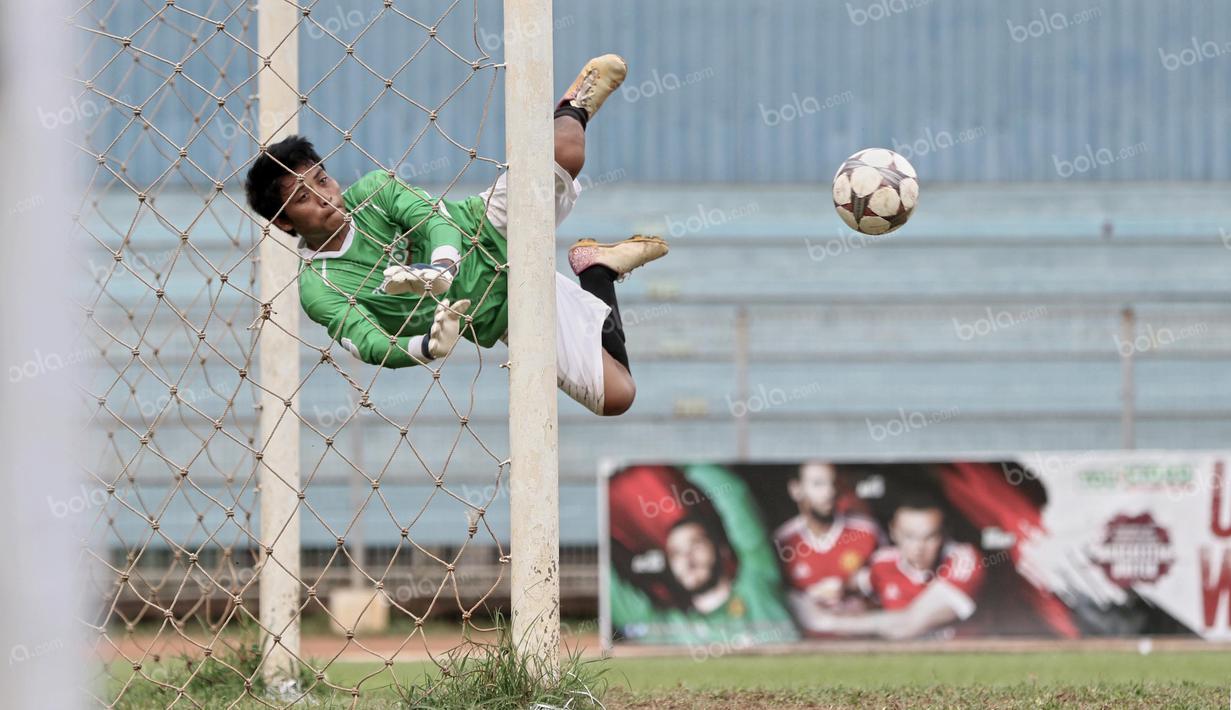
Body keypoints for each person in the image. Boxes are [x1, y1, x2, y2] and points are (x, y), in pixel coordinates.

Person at [243, 54, 667, 415]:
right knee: (618, 397)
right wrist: (427, 345)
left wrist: (441, 267)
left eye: (322, 179)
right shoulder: (320, 288)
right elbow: (370, 343)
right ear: (283, 221)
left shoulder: (373, 192)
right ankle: (596, 271)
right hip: (499, 309)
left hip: (490, 227)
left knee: (566, 154)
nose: (324, 196)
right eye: (303, 196)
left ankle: (572, 106)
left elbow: (434, 221)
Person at [608, 464, 799, 646]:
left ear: (721, 550)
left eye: (696, 544)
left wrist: (683, 455)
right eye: (676, 553)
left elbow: (735, 497)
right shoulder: (672, 631)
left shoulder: (757, 586)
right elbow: (612, 592)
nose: (686, 558)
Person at [789, 490, 984, 639]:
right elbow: (850, 586)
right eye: (910, 536)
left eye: (929, 537)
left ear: (943, 535)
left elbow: (909, 624)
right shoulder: (883, 563)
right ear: (893, 532)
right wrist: (821, 595)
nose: (919, 547)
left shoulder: (963, 560)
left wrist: (826, 622)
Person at [773, 462, 880, 620]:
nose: (829, 492)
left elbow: (891, 587)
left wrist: (856, 585)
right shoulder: (782, 541)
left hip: (862, 637)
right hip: (805, 639)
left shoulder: (867, 531)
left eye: (833, 483)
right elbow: (773, 600)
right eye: (818, 484)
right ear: (796, 490)